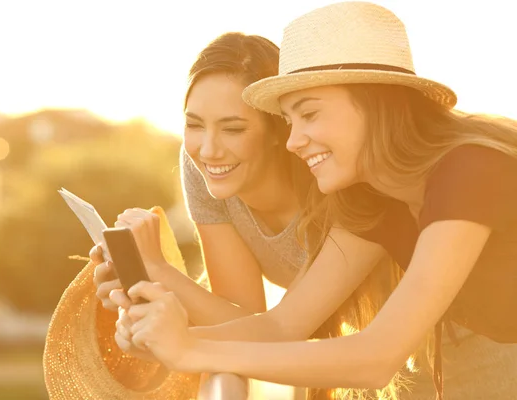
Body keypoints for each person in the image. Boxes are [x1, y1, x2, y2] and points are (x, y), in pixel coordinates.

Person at [110, 2, 517, 399]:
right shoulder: (372, 197)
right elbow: (283, 326)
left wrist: (190, 351)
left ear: (376, 102)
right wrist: (165, 340)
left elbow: (377, 360)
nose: (293, 141)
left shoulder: (470, 169)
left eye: (310, 114)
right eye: (290, 120)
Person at [90, 32, 320, 398]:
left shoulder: (325, 176)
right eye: (194, 124)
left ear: (279, 128)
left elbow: (280, 332)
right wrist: (146, 294)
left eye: (233, 128)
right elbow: (241, 317)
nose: (209, 150)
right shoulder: (204, 170)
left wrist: (161, 272)